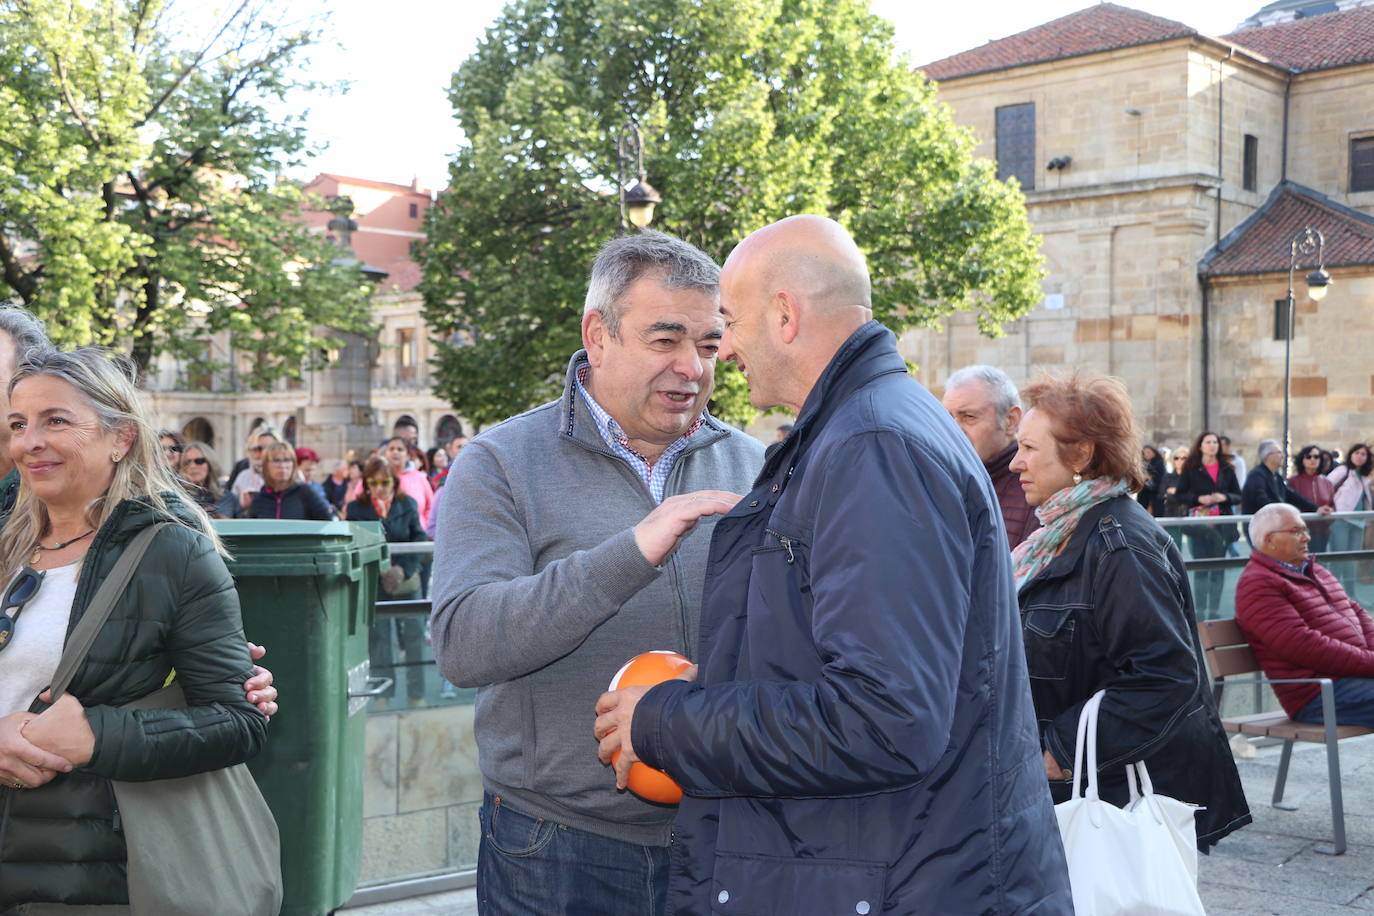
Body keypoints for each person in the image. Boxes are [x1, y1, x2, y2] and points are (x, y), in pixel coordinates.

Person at [595, 216, 1071, 913]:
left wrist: (667, 721)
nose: (723, 349)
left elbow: (885, 717)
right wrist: (725, 684)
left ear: (785, 315)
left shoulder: (875, 445)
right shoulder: (865, 428)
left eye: (730, 321)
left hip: (902, 878)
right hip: (888, 866)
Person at [430, 230, 763, 915]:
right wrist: (630, 554)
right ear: (599, 335)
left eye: (707, 345)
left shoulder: (755, 466)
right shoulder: (499, 463)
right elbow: (463, 644)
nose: (693, 369)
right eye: (665, 340)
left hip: (726, 836)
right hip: (555, 850)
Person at [0, 347, 274, 908]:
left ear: (120, 437)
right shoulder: (8, 545)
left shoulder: (174, 551)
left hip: (90, 872)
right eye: (18, 424)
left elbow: (236, 721)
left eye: (56, 420)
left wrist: (97, 736)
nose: (31, 441)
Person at [1008, 372, 1250, 852]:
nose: (1016, 463)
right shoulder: (1063, 533)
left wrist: (1056, 751)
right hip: (1080, 788)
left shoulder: (1119, 546)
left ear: (1080, 455)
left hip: (1110, 797)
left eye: (1031, 449)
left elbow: (1164, 679)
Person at [1236, 503, 1374, 728]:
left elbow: (1355, 610)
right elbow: (1304, 646)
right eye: (1296, 531)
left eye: (1305, 530)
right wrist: (1370, 662)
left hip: (1351, 677)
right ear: (1268, 540)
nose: (1306, 537)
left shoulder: (1314, 570)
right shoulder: (1258, 584)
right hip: (1317, 692)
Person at [348, 456, 429, 705]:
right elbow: (355, 544)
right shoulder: (356, 509)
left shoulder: (408, 504)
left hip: (405, 581)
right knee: (380, 640)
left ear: (394, 482)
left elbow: (420, 541)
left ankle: (417, 695)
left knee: (414, 635)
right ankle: (384, 695)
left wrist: (403, 569)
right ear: (367, 484)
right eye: (374, 482)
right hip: (376, 582)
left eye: (385, 481)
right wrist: (381, 569)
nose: (380, 487)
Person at [941, 364, 1041, 548]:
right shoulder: (938, 485)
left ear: (1011, 420)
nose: (953, 430)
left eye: (969, 417)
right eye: (946, 418)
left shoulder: (1035, 489)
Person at [1175, 431, 1242, 616]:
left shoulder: (1227, 468)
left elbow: (1238, 496)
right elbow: (1180, 495)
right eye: (1208, 442)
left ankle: (1214, 610)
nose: (1212, 445)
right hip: (1200, 527)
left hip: (1222, 527)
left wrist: (1224, 497)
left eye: (1215, 442)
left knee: (1218, 569)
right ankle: (1200, 609)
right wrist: (1199, 498)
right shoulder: (1191, 467)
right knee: (1202, 569)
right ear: (1200, 445)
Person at [245, 442, 333, 521]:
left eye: (287, 460)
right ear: (266, 466)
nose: (282, 466)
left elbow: (328, 523)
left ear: (294, 465)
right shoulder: (259, 499)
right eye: (276, 460)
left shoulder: (304, 492)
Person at [1241, 439, 1320, 520]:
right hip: (1260, 527)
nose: (1282, 456)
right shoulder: (1257, 475)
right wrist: (1283, 512)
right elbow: (1261, 500)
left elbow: (1292, 495)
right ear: (1269, 456)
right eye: (1279, 452)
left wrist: (1317, 509)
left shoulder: (1276, 476)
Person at [1289, 444, 1337, 552]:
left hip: (1322, 530)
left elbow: (1332, 504)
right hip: (1299, 531)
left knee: (1319, 562)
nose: (1313, 460)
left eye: (1316, 457)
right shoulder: (1293, 481)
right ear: (1302, 459)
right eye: (1308, 457)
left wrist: (1330, 512)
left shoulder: (1326, 482)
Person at [381, 436, 434, 532]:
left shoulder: (420, 478)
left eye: (400, 449)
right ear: (385, 454)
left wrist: (426, 527)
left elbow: (431, 507)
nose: (395, 452)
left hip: (418, 535)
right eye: (391, 449)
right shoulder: (376, 478)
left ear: (408, 455)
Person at [1328, 443, 1373, 555]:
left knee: (1353, 557)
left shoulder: (1364, 477)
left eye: (1363, 454)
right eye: (1357, 453)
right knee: (1338, 555)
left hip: (1359, 521)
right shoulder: (1343, 470)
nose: (1359, 456)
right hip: (1341, 519)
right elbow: (1326, 486)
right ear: (1351, 455)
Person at [180, 440, 239, 519]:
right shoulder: (178, 497)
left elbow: (243, 527)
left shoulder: (227, 498)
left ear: (210, 464)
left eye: (199, 461)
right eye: (187, 462)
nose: (192, 466)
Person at [230, 423, 279, 509]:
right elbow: (232, 508)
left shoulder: (288, 475)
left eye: (269, 448)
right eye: (258, 449)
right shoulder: (243, 476)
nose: (264, 453)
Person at [1138, 443, 1166, 515]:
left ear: (1154, 452)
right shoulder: (1143, 463)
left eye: (1148, 452)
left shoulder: (1159, 463)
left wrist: (1147, 477)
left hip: (1155, 494)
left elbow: (1158, 479)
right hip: (1144, 493)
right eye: (1145, 453)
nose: (1146, 454)